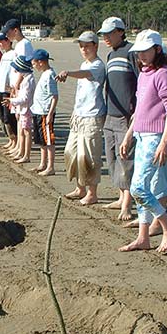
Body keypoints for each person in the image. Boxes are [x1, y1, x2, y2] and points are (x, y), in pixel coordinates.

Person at [119, 29, 167, 253]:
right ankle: (143, 237)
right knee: (146, 187)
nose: (141, 56)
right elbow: (140, 110)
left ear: (156, 49)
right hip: (141, 135)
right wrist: (129, 135)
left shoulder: (164, 74)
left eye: (145, 51)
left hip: (155, 137)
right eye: (138, 52)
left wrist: (165, 141)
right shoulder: (144, 73)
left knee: (138, 188)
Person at [56, 31, 106, 206]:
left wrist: (68, 73)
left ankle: (92, 193)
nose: (84, 49)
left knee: (89, 156)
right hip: (79, 116)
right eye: (81, 46)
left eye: (87, 46)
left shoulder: (98, 65)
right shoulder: (84, 63)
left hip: (92, 116)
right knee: (72, 152)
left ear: (95, 46)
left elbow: (85, 74)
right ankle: (80, 188)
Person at [98, 17, 139, 221]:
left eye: (109, 33)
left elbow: (141, 84)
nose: (105, 37)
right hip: (110, 114)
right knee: (112, 157)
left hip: (126, 116)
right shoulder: (111, 54)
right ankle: (120, 196)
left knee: (127, 159)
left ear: (121, 32)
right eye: (103, 34)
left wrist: (135, 115)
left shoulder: (132, 52)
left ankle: (128, 204)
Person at [0, 19, 34, 159]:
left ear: (16, 30)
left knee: (22, 120)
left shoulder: (25, 44)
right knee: (18, 118)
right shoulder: (20, 44)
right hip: (16, 84)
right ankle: (19, 148)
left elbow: (24, 67)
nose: (7, 35)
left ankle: (22, 150)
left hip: (21, 84)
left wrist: (16, 86)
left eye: (8, 32)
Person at [2, 55, 35, 163]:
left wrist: (12, 101)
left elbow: (25, 98)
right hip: (21, 108)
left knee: (26, 132)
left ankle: (26, 155)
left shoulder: (28, 79)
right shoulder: (25, 78)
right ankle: (20, 151)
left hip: (26, 109)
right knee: (21, 131)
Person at [31, 49, 58, 176]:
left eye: (34, 63)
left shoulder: (50, 75)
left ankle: (50, 166)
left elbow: (54, 96)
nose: (33, 65)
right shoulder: (44, 73)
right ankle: (43, 163)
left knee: (48, 141)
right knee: (41, 140)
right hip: (38, 111)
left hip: (45, 112)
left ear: (40, 62)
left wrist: (50, 114)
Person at [0, 33, 17, 150]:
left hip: (10, 90)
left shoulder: (14, 54)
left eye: (2, 41)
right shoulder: (4, 55)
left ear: (8, 41)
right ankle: (11, 139)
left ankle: (15, 140)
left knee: (10, 117)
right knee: (4, 117)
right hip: (2, 89)